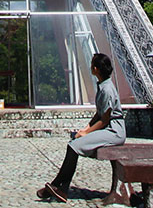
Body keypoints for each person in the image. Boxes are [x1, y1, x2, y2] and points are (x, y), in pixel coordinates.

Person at [37, 53, 126, 203]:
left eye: (92, 65)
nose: (90, 67)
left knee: (74, 146)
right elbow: (98, 115)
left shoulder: (107, 90)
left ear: (96, 69)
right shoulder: (103, 86)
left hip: (114, 131)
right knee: (73, 143)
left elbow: (104, 120)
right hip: (108, 128)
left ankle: (59, 187)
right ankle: (59, 187)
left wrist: (86, 133)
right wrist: (84, 130)